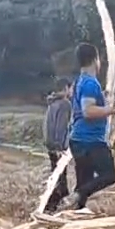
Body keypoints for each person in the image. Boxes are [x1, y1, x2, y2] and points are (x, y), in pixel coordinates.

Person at [63, 43, 115, 210]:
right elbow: (88, 111)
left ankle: (73, 214)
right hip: (90, 140)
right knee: (109, 175)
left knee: (84, 182)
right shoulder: (90, 83)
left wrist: (102, 97)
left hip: (78, 139)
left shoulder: (80, 81)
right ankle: (78, 196)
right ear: (95, 60)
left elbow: (84, 103)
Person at [43, 78, 74, 213]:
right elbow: (61, 127)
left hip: (50, 145)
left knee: (58, 175)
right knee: (59, 177)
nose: (72, 91)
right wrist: (60, 147)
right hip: (58, 147)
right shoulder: (65, 104)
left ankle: (59, 202)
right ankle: (51, 206)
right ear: (66, 88)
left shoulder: (52, 103)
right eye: (71, 88)